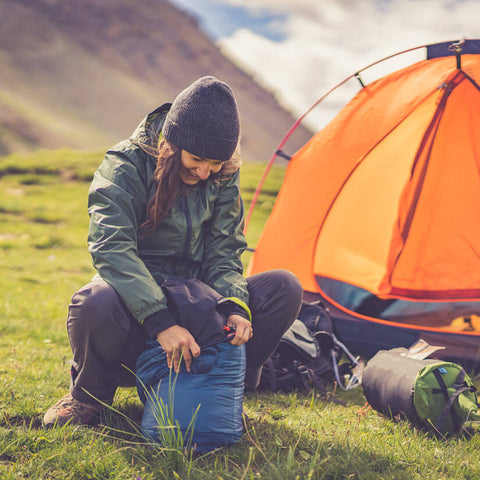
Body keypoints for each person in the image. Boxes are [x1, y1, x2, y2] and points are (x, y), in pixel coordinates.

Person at [43, 76, 303, 427]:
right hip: (138, 312)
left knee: (282, 287)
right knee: (94, 301)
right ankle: (87, 398)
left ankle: (223, 389)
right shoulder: (126, 164)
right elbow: (112, 247)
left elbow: (224, 253)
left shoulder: (222, 173)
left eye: (215, 162)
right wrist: (161, 322)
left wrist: (234, 308)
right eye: (196, 159)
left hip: (199, 307)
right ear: (171, 143)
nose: (205, 171)